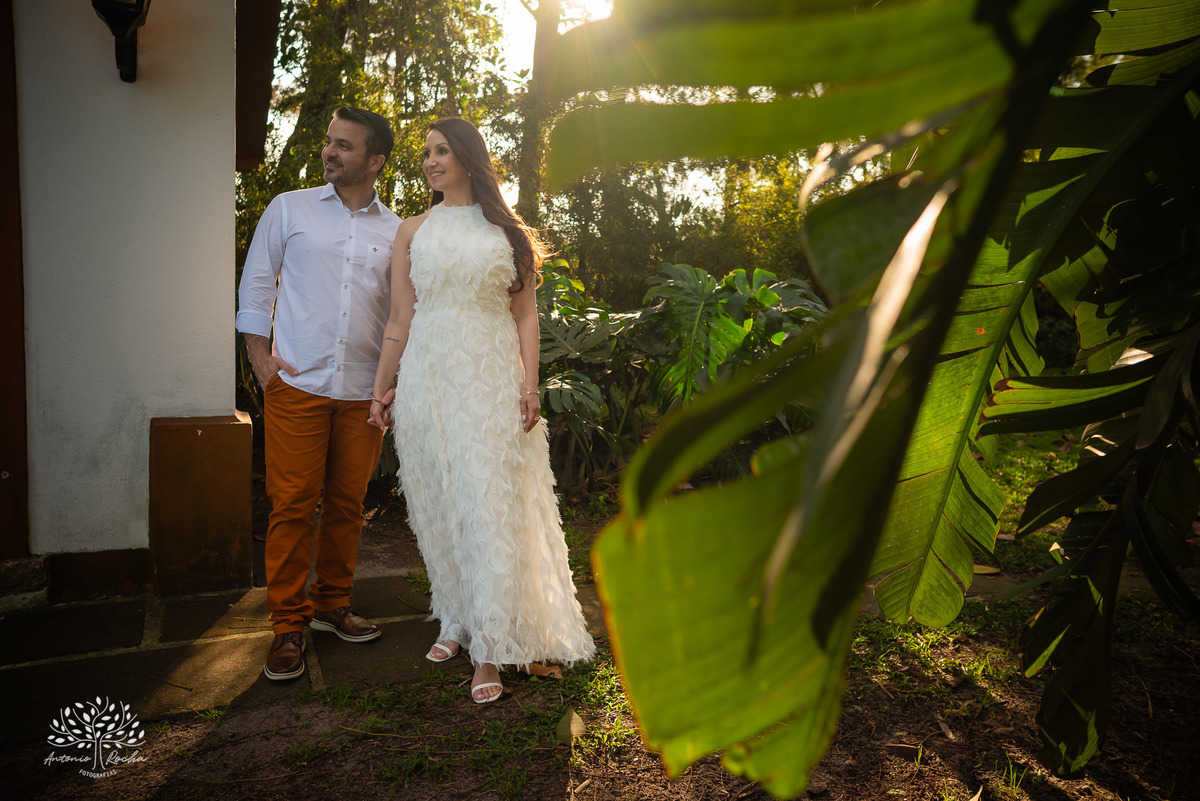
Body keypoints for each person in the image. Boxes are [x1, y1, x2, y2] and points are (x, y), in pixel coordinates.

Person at [368, 117, 595, 703]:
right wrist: (382, 389)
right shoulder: (412, 231)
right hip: (427, 382)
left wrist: (529, 385)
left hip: (489, 381)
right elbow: (399, 318)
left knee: (486, 502)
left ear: (468, 158)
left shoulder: (506, 232)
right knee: (439, 502)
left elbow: (524, 315)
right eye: (425, 153)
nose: (430, 161)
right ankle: (455, 619)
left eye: (441, 151)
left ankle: (490, 649)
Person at [238, 106, 401, 681]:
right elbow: (258, 283)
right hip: (298, 383)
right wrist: (262, 362)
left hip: (363, 391)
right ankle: (287, 625)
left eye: (345, 146)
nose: (330, 152)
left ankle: (333, 605)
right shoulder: (290, 208)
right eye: (330, 143)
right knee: (290, 506)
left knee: (347, 506)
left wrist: (392, 385)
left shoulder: (396, 229)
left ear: (375, 160)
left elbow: (403, 313)